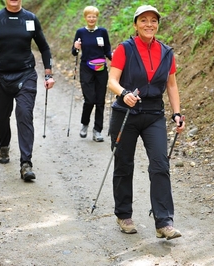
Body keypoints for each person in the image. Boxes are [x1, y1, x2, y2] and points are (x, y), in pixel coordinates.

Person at [108, 5, 185, 240]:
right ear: (135, 24)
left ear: (158, 24)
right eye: (144, 20)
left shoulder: (166, 52)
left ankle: (164, 222)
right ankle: (124, 215)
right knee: (124, 164)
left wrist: (177, 113)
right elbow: (112, 80)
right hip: (126, 113)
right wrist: (124, 93)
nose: (149, 24)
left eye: (153, 20)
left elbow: (171, 85)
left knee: (160, 165)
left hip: (153, 115)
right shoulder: (125, 49)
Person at [0, 0, 55, 181]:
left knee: (24, 114)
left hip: (26, 74)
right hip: (1, 76)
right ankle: (4, 145)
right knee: (2, 116)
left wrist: (48, 74)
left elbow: (44, 47)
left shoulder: (30, 19)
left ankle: (26, 164)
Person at [71, 6, 112, 142]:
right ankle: (85, 124)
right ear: (85, 17)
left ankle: (97, 131)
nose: (92, 19)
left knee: (100, 101)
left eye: (94, 16)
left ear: (97, 18)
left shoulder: (103, 32)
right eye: (89, 16)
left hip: (101, 69)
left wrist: (116, 59)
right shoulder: (80, 32)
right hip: (86, 68)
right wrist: (76, 48)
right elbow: (74, 52)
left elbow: (107, 50)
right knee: (90, 100)